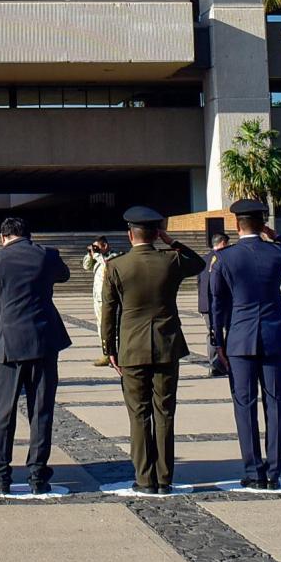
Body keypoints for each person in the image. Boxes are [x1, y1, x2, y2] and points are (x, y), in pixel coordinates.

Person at [102, 205, 205, 494]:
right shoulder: (170, 260)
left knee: (138, 414)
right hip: (166, 346)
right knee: (165, 412)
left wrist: (109, 347)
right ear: (156, 233)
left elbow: (109, 312)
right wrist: (171, 241)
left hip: (132, 348)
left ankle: (145, 479)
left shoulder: (117, 266)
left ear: (129, 234)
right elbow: (198, 264)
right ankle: (165, 477)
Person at [209, 199, 281, 489]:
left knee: (244, 404)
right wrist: (277, 236)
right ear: (262, 223)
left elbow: (218, 303)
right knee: (276, 403)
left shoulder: (225, 258)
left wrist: (218, 340)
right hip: (274, 335)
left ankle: (253, 471)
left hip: (240, 339)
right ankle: (275, 471)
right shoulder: (277, 252)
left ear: (236, 225)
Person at [0, 216, 71, 494]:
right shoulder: (46, 256)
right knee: (41, 412)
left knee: (2, 414)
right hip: (43, 343)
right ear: (28, 235)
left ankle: (1, 476)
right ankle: (38, 477)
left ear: (3, 237)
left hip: (8, 347)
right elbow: (64, 274)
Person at [195, 232, 230, 375]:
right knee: (228, 331)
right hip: (224, 303)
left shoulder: (203, 260)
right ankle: (226, 363)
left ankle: (215, 364)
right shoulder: (225, 259)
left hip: (206, 305)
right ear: (222, 243)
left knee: (213, 334)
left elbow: (199, 283)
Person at [82, 237, 114, 367]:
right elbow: (86, 266)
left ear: (105, 245)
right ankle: (106, 354)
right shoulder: (97, 258)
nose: (95, 250)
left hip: (109, 298)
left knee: (111, 327)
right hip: (98, 298)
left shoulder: (114, 256)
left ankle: (114, 355)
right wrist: (91, 255)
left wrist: (98, 255)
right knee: (101, 327)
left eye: (97, 247)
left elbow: (108, 266)